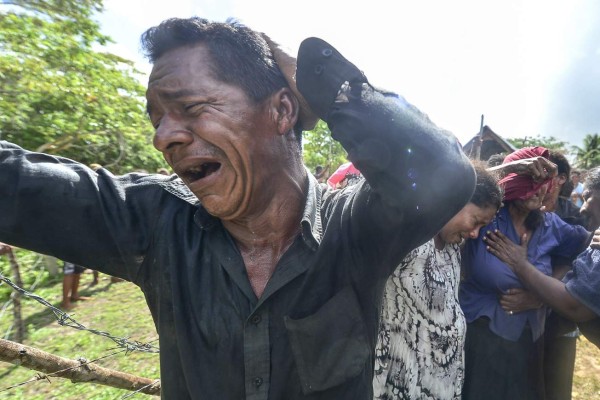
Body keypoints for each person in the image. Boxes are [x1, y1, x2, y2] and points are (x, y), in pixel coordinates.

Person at [0, 17, 476, 399]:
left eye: (189, 107)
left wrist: (327, 88)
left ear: (282, 111)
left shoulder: (355, 228)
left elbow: (445, 172)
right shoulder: (151, 221)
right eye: (157, 119)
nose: (163, 136)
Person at [459, 146, 589, 400]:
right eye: (531, 179)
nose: (539, 189)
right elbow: (456, 186)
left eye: (545, 182)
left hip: (528, 344)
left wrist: (544, 292)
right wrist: (507, 169)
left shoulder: (550, 225)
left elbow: (584, 248)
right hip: (479, 341)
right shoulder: (487, 218)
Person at [373, 162, 503, 400]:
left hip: (440, 384)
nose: (475, 233)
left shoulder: (453, 246)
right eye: (476, 221)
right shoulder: (408, 234)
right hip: (401, 381)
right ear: (454, 199)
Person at [484, 166, 600, 341]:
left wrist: (520, 265)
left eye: (588, 197)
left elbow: (576, 305)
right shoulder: (490, 221)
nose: (582, 208)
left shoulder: (554, 224)